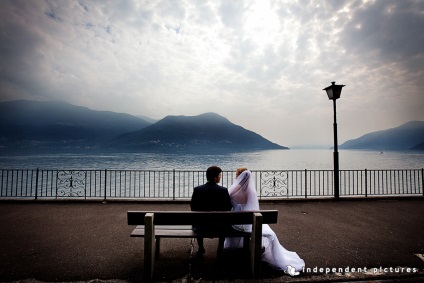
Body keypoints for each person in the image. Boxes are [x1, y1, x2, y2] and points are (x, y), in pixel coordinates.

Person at [224, 168, 305, 275]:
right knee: (269, 231)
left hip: (236, 225)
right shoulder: (251, 191)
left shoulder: (233, 190)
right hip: (249, 223)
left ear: (239, 176)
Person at [190, 166, 233, 255]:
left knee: (198, 219)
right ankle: (220, 248)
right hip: (219, 226)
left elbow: (193, 207)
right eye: (219, 175)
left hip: (201, 227)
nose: (220, 177)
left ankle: (201, 247)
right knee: (224, 221)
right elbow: (228, 207)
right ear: (215, 178)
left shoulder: (197, 190)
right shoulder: (223, 190)